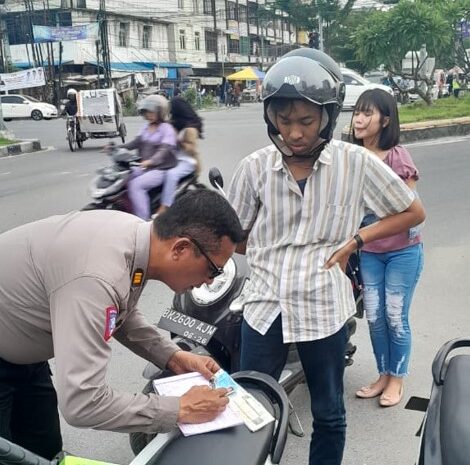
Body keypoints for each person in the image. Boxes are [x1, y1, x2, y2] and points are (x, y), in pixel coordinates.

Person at [227, 48, 426, 465]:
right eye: (284, 121)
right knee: (251, 410)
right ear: (270, 118)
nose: (295, 133)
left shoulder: (354, 163)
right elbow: (234, 236)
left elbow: (412, 211)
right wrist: (265, 250)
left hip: (324, 306)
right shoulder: (255, 167)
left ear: (327, 117)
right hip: (264, 305)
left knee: (330, 413)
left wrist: (357, 239)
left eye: (305, 121)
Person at [0, 189, 245, 460]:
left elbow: (118, 312)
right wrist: (181, 409)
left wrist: (173, 357)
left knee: (43, 453)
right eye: (214, 269)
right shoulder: (97, 275)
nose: (211, 281)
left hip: (22, 355)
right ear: (181, 248)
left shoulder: (134, 239)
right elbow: (82, 403)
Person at [350, 89, 424, 407]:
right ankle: (383, 375)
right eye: (357, 112)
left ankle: (397, 378)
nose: (359, 119)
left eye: (368, 113)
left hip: (402, 251)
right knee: (376, 316)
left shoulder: (397, 156)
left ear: (385, 120)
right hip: (369, 252)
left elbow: (407, 209)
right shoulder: (350, 157)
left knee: (395, 315)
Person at [121, 94, 178, 220]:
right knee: (123, 179)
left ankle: (143, 221)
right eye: (146, 112)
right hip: (145, 167)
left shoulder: (166, 129)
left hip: (160, 169)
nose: (148, 114)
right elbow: (135, 143)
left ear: (160, 112)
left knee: (136, 185)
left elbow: (165, 150)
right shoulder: (146, 128)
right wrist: (117, 148)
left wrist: (151, 161)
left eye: (152, 111)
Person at [154, 96, 203, 215]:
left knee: (171, 174)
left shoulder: (190, 129)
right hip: (175, 158)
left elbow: (191, 149)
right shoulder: (176, 124)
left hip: (187, 161)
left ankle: (164, 206)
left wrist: (177, 141)